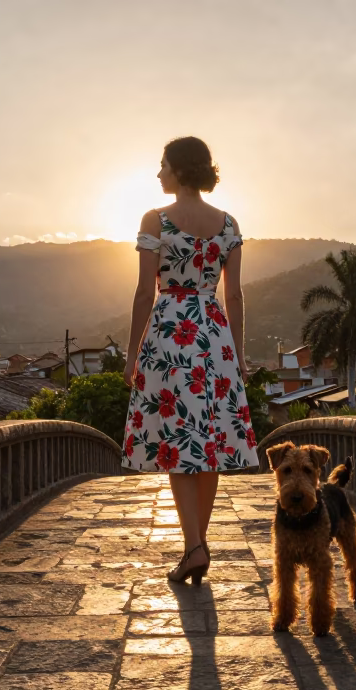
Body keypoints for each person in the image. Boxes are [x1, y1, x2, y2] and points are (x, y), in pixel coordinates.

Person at [121, 136, 260, 584]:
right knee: (210, 441)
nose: (158, 173)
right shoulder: (228, 222)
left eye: (162, 165)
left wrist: (131, 355)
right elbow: (234, 294)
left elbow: (145, 292)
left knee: (177, 443)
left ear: (179, 169)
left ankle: (195, 547)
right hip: (214, 334)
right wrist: (238, 358)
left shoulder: (156, 220)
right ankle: (196, 545)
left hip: (170, 332)